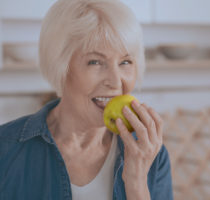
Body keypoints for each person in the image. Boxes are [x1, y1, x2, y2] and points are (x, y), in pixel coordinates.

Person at [0, 0, 173, 199]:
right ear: (61, 67)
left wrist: (136, 183)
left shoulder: (151, 155)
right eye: (95, 62)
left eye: (125, 61)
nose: (116, 82)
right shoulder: (5, 149)